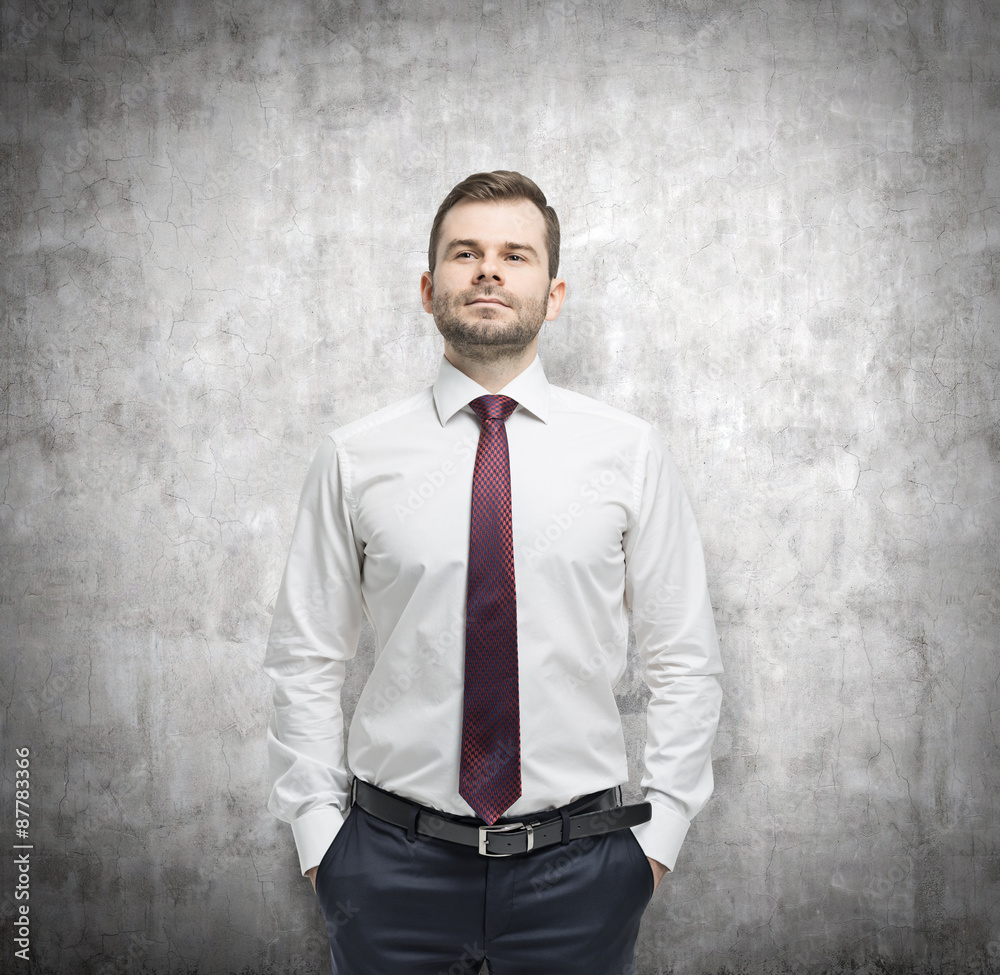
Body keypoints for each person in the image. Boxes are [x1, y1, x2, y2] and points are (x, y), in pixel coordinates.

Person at [263, 170, 723, 975]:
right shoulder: (354, 456)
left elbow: (685, 656)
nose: (487, 270)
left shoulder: (628, 452)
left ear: (554, 292)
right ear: (427, 285)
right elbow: (306, 658)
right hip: (387, 869)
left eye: (515, 254)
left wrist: (656, 842)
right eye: (464, 252)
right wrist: (320, 843)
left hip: (581, 873)